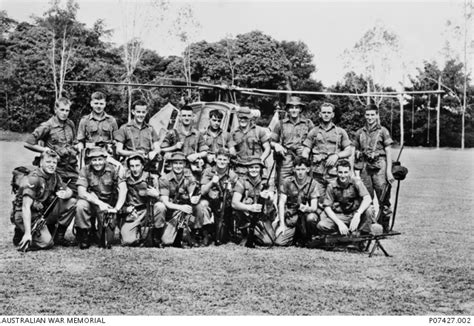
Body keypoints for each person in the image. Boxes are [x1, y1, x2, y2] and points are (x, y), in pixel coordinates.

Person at [13, 150, 76, 250]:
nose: (51, 165)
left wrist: (66, 194)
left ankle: (58, 235)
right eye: (48, 162)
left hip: (43, 212)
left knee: (72, 202)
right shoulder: (33, 178)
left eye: (54, 162)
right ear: (41, 163)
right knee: (47, 243)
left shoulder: (54, 176)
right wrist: (28, 233)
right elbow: (25, 207)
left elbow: (68, 190)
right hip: (27, 214)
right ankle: (21, 232)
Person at [75, 147, 127, 249]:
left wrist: (116, 209)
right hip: (92, 203)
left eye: (100, 159)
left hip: (108, 206)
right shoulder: (85, 170)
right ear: (90, 160)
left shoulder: (114, 169)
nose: (97, 163)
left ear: (105, 159)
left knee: (105, 241)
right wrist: (99, 203)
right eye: (94, 160)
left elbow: (123, 189)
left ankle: (97, 232)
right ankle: (84, 235)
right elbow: (81, 192)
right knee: (80, 205)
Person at [353, 104, 395, 232]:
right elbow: (354, 150)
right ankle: (368, 227)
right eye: (367, 115)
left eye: (372, 114)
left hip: (380, 165)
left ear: (377, 115)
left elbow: (388, 151)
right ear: (365, 115)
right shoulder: (360, 132)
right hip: (365, 166)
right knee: (366, 197)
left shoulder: (383, 131)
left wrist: (388, 171)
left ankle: (384, 226)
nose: (370, 117)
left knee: (383, 197)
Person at [24, 97, 79, 193]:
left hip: (71, 168)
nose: (64, 113)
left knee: (79, 191)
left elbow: (74, 142)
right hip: (55, 169)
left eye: (67, 110)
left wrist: (76, 148)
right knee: (57, 196)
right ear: (55, 110)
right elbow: (28, 143)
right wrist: (44, 150)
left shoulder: (70, 124)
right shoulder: (47, 126)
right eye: (62, 110)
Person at [302, 102, 352, 201]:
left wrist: (337, 156)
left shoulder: (340, 132)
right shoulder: (314, 132)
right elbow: (306, 150)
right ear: (320, 114)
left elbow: (348, 150)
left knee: (335, 201)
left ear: (332, 114)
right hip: (317, 174)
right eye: (324, 112)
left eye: (328, 112)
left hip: (334, 174)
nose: (326, 115)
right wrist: (304, 162)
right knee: (317, 201)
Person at [157, 152, 205, 247]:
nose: (178, 166)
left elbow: (193, 196)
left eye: (180, 163)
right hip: (170, 213)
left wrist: (194, 195)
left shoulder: (189, 177)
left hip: (183, 214)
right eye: (175, 163)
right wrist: (180, 207)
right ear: (170, 165)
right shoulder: (164, 179)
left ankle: (194, 232)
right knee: (167, 241)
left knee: (198, 206)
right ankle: (160, 234)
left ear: (185, 165)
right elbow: (166, 202)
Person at [317, 160, 374, 235]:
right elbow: (327, 207)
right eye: (340, 172)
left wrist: (358, 214)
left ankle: (362, 235)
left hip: (354, 214)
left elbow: (367, 198)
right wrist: (339, 223)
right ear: (336, 172)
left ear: (350, 172)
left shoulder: (356, 182)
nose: (343, 175)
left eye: (345, 172)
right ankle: (345, 233)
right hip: (341, 215)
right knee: (321, 225)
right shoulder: (331, 186)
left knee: (369, 209)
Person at [120, 154, 165, 247]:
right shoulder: (124, 179)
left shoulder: (152, 178)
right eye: (132, 166)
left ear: (142, 166)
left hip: (148, 211)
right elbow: (119, 199)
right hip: (133, 213)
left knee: (160, 206)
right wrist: (126, 209)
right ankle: (138, 234)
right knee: (127, 241)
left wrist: (156, 195)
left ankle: (156, 236)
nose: (134, 169)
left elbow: (163, 199)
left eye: (137, 165)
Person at [231, 156, 275, 248]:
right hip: (247, 215)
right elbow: (234, 203)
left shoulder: (266, 181)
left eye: (256, 167)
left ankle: (255, 234)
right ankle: (245, 234)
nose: (253, 170)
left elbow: (271, 199)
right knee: (239, 208)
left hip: (262, 216)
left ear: (260, 169)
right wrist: (250, 207)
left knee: (268, 241)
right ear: (247, 168)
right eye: (251, 167)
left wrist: (267, 196)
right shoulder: (242, 181)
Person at [271, 96, 314, 185]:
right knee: (283, 186)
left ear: (300, 109)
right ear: (287, 110)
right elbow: (270, 141)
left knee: (303, 186)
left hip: (302, 160)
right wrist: (276, 145)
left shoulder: (308, 124)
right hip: (285, 159)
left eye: (296, 107)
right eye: (291, 108)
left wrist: (306, 148)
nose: (294, 110)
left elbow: (316, 141)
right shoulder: (280, 124)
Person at [277, 157, 319, 246]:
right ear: (294, 169)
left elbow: (314, 207)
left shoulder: (313, 183)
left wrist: (307, 208)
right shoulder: (287, 182)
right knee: (279, 242)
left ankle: (309, 237)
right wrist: (282, 224)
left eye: (303, 169)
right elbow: (281, 203)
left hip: (305, 216)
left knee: (311, 218)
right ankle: (294, 237)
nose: (300, 172)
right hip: (292, 217)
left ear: (308, 169)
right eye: (298, 169)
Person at [199, 149, 238, 245]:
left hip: (224, 204)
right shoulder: (208, 171)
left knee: (222, 236)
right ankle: (205, 233)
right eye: (219, 159)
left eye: (225, 159)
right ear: (215, 159)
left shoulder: (232, 175)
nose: (222, 162)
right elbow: (203, 191)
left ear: (228, 160)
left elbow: (236, 195)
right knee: (202, 205)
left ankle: (229, 232)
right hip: (210, 201)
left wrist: (230, 190)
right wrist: (212, 182)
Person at [160, 105, 209, 174]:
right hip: (174, 171)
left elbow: (205, 152)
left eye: (189, 116)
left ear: (192, 117)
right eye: (184, 115)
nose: (186, 118)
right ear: (180, 117)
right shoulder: (172, 133)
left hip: (191, 171)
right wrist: (174, 147)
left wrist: (196, 155)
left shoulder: (197, 134)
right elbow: (162, 149)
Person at [76, 91, 119, 166]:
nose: (99, 106)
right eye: (96, 103)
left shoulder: (111, 120)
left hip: (107, 155)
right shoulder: (84, 121)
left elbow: (117, 141)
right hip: (90, 156)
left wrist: (113, 150)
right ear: (91, 103)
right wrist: (81, 157)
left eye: (101, 104)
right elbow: (80, 141)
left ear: (105, 104)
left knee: (118, 167)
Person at [229, 107, 271, 177]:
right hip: (240, 168)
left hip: (255, 168)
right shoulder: (233, 133)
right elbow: (231, 150)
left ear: (250, 118)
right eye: (240, 117)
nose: (242, 120)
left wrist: (261, 159)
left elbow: (267, 148)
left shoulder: (259, 131)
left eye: (245, 118)